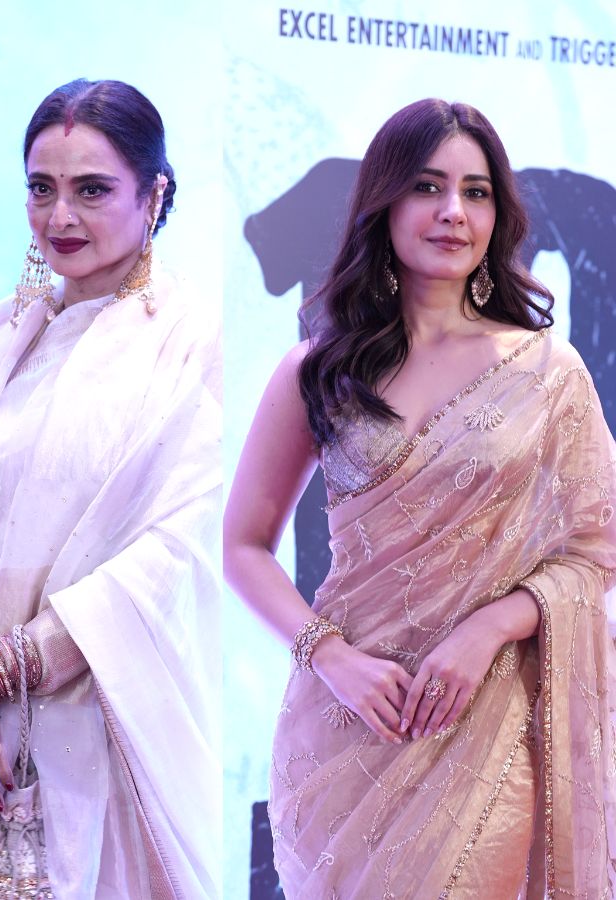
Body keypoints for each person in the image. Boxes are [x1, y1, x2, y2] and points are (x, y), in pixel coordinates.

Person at [224, 98, 616, 897]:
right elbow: (242, 546)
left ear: (499, 216)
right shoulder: (319, 369)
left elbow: (597, 547)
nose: (452, 212)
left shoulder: (548, 373)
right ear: (384, 201)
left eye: (476, 192)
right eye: (427, 187)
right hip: (342, 727)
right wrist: (328, 656)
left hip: (487, 725)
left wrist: (490, 627)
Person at [0, 79, 220, 899]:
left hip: (101, 728)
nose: (60, 216)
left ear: (154, 195)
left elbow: (165, 551)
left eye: (92, 190)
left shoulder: (180, 339)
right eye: (41, 188)